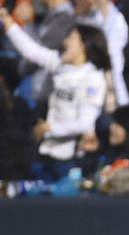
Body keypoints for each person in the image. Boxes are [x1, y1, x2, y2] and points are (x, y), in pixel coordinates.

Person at [1, 9, 110, 181]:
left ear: (84, 45)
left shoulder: (93, 78)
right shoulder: (61, 66)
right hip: (47, 152)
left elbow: (85, 122)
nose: (65, 41)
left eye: (71, 37)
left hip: (70, 159)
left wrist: (50, 128)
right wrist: (9, 24)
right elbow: (32, 52)